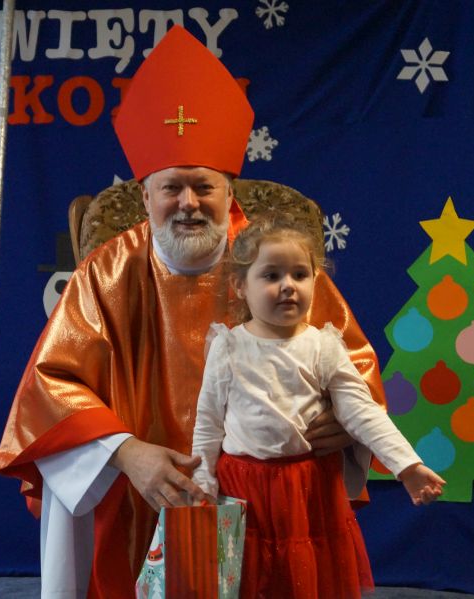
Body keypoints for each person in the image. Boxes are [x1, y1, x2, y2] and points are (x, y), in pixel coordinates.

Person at [0, 26, 386, 598]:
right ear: (145, 195)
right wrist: (126, 454)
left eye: (203, 186)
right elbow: (50, 387)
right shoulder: (107, 272)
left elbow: (351, 361)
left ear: (229, 190)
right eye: (171, 188)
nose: (188, 204)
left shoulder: (275, 263)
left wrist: (339, 419)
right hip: (141, 493)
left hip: (271, 497)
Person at [191, 215, 446, 598]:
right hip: (244, 488)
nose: (288, 285)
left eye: (300, 274)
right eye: (271, 275)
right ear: (240, 286)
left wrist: (407, 466)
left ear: (314, 279)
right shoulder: (228, 347)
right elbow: (209, 422)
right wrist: (202, 480)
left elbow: (363, 412)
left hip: (308, 489)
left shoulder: (323, 346)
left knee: (307, 576)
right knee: (249, 578)